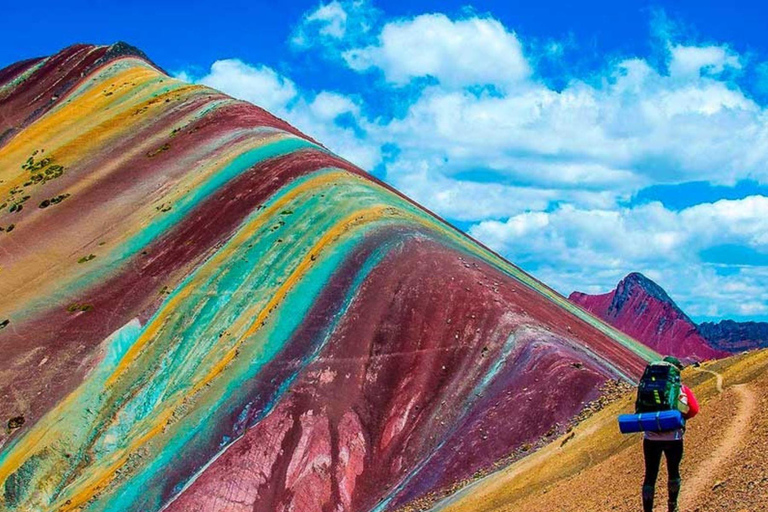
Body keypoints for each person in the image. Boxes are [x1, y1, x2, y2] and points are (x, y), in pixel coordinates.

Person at [642, 356, 700, 512]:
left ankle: (648, 509)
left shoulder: (649, 385)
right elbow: (694, 409)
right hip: (674, 437)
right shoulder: (681, 389)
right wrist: (679, 419)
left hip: (650, 438)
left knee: (650, 475)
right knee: (673, 471)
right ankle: (672, 506)